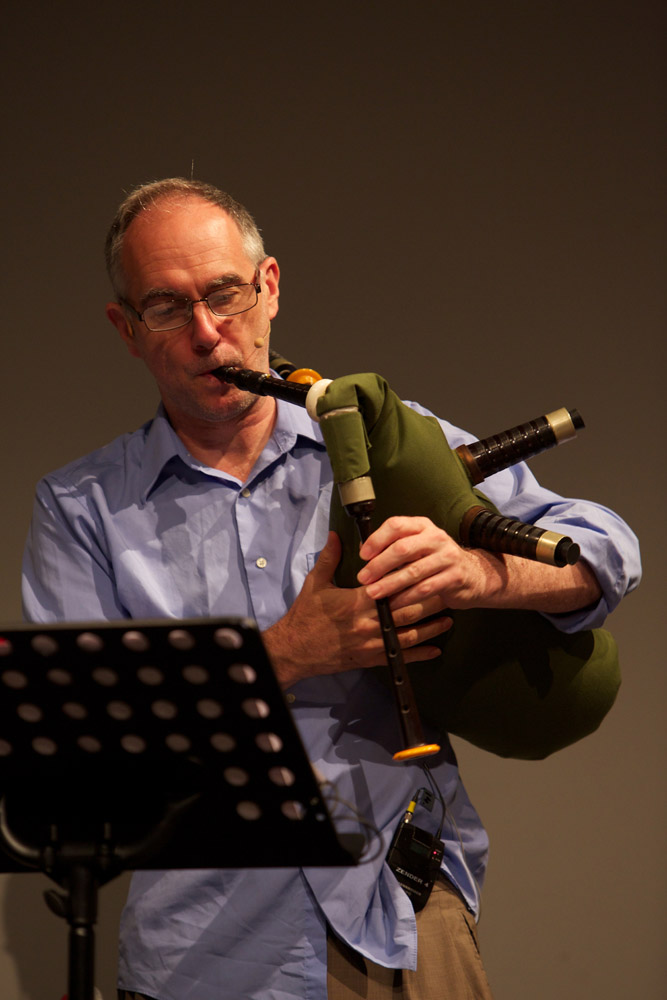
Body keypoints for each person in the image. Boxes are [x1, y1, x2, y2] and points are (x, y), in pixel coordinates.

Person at [22, 178, 641, 1000]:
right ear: (126, 329)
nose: (209, 333)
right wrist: (282, 656)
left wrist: (480, 571)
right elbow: (80, 741)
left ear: (269, 288)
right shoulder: (82, 508)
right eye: (167, 309)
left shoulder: (382, 438)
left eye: (225, 294)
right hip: (203, 950)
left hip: (405, 921)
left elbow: (606, 548)